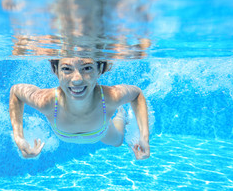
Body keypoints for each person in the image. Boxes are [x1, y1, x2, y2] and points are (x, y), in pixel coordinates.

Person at [9, 57, 150, 160]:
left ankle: (120, 115)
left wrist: (144, 137)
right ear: (56, 71)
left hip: (102, 132)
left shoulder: (110, 97)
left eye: (87, 68)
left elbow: (136, 94)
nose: (77, 79)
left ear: (99, 70)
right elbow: (16, 92)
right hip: (77, 134)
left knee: (118, 141)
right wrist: (19, 138)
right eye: (66, 69)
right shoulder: (47, 101)